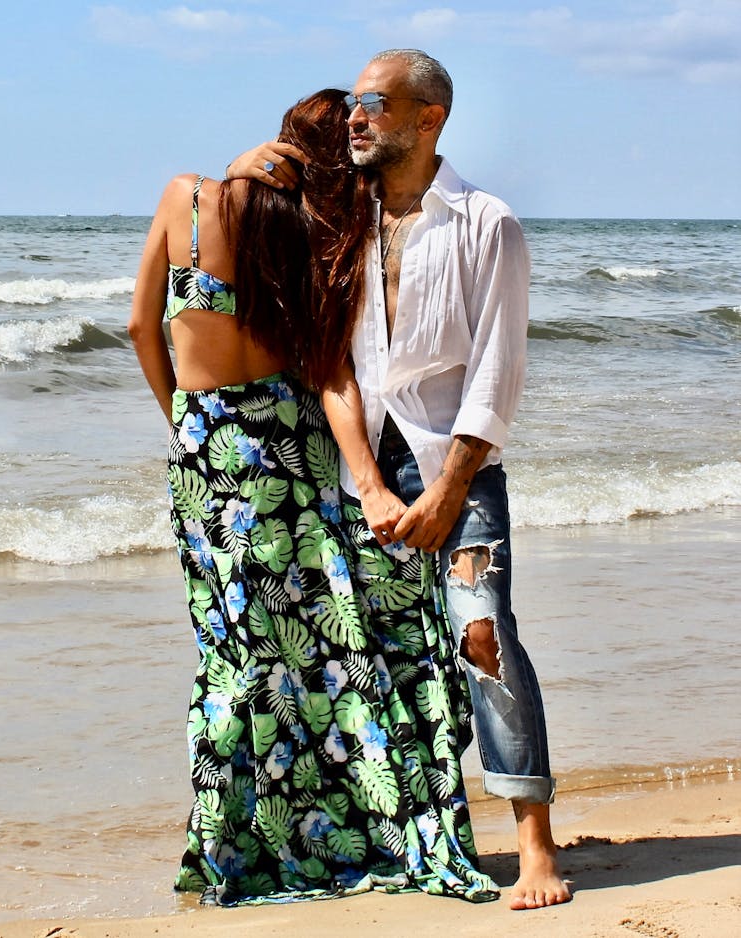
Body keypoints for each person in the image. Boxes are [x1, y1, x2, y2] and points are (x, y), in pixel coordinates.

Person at [129, 88, 498, 907]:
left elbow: (139, 328)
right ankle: (365, 815)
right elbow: (329, 368)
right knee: (325, 638)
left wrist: (187, 423)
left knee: (235, 645)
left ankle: (233, 847)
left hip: (206, 451)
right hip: (291, 449)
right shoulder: (316, 237)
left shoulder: (185, 197)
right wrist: (368, 482)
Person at [227, 51, 572, 910]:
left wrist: (448, 490)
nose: (355, 116)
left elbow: (497, 373)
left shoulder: (486, 223)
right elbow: (333, 368)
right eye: (353, 105)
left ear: (430, 120)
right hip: (362, 472)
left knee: (482, 636)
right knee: (384, 660)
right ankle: (416, 837)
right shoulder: (339, 224)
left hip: (455, 463)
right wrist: (369, 485)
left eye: (375, 104)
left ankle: (535, 846)